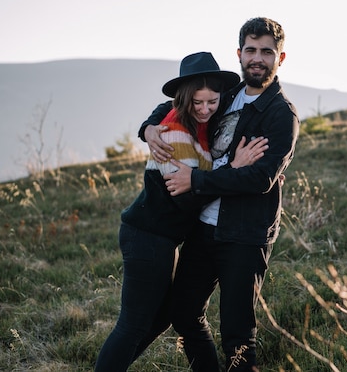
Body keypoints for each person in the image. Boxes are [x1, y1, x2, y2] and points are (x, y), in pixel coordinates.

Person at [142, 17, 299, 371]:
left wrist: (196, 181)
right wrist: (149, 128)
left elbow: (260, 178)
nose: (257, 58)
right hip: (203, 228)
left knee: (238, 335)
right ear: (239, 53)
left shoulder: (280, 114)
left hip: (244, 235)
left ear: (281, 58)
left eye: (267, 52)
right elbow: (179, 103)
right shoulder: (226, 95)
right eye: (251, 50)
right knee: (183, 313)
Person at [94, 52, 268, 371]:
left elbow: (196, 183)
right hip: (147, 236)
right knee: (133, 324)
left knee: (161, 319)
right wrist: (233, 169)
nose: (205, 110)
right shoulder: (173, 134)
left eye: (212, 102)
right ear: (184, 100)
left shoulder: (198, 126)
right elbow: (186, 200)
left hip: (164, 239)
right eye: (197, 103)